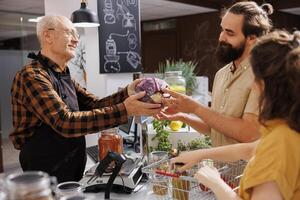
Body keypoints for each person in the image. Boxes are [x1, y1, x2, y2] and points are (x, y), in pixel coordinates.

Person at [9, 15, 162, 183]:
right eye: (69, 33)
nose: (76, 40)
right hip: (44, 172)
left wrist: (127, 92)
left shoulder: (63, 74)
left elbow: (94, 104)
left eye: (77, 35)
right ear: (48, 36)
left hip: (70, 166)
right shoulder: (32, 76)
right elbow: (64, 122)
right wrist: (126, 109)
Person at [171, 30, 300, 200]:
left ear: (270, 84)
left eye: (256, 77)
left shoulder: (279, 142)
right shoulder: (287, 129)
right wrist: (200, 154)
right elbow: (249, 149)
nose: (253, 86)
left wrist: (216, 183)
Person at [158, 2, 273, 146]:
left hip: (251, 169)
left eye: (230, 33)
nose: (221, 37)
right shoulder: (221, 74)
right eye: (222, 30)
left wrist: (195, 107)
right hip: (218, 168)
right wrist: (183, 116)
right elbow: (216, 128)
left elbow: (249, 134)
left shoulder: (264, 75)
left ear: (251, 38)